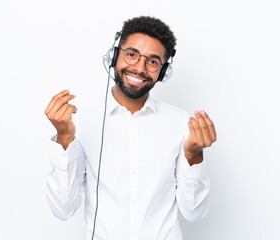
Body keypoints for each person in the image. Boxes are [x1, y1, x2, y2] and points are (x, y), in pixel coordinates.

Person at [45, 16, 217, 240]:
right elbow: (62, 209)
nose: (140, 68)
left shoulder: (180, 123)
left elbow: (194, 212)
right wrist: (64, 139)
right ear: (114, 55)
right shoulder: (80, 123)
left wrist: (194, 156)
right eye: (132, 54)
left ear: (163, 71)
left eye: (153, 61)